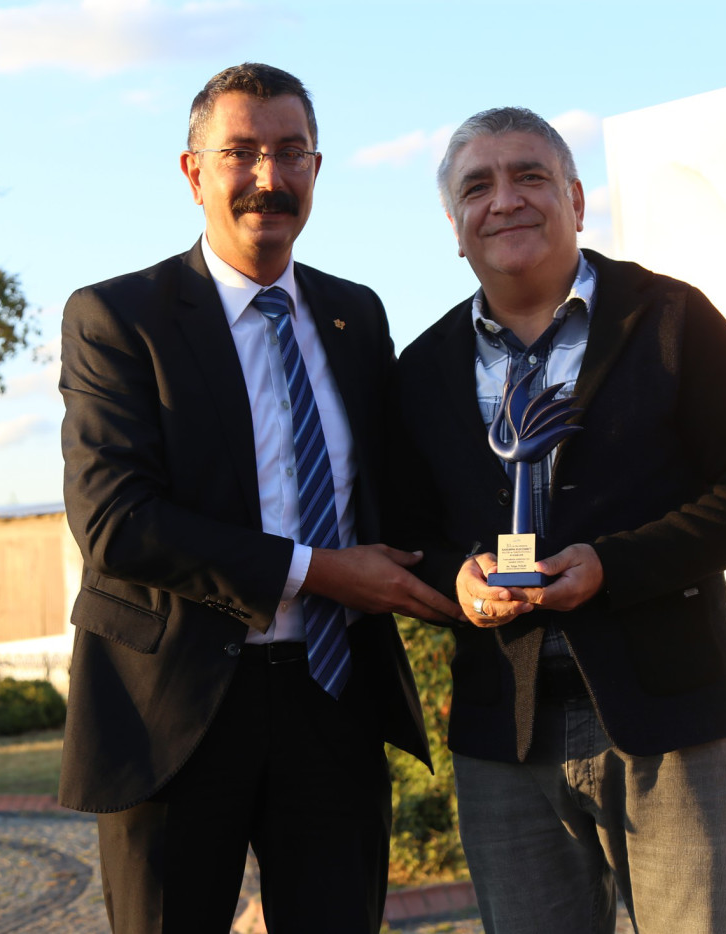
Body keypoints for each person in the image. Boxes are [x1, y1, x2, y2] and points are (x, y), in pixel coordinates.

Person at [58, 63, 458, 934]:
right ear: (193, 172)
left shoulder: (356, 315)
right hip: (172, 706)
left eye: (291, 152)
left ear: (317, 167)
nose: (268, 177)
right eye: (241, 152)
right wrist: (322, 573)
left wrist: (485, 568)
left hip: (331, 696)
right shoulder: (117, 318)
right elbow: (116, 523)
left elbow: (395, 495)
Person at [397, 107, 726, 934]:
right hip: (504, 738)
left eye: (530, 176)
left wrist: (613, 566)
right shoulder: (422, 369)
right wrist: (457, 581)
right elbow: (408, 538)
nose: (504, 200)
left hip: (675, 724)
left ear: (577, 201)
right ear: (454, 226)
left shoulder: (670, 319)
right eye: (477, 187)